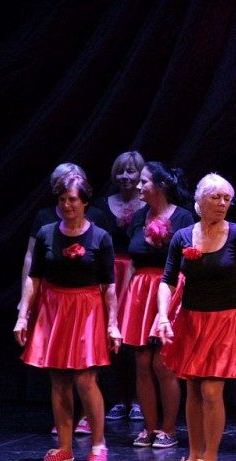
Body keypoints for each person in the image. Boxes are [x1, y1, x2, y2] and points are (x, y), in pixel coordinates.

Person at [14, 170, 121, 461]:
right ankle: (64, 447)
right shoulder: (47, 233)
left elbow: (109, 286)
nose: (66, 205)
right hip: (54, 308)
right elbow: (34, 278)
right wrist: (23, 316)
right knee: (59, 380)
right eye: (62, 199)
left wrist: (113, 324)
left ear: (84, 201)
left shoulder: (100, 237)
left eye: (72, 199)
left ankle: (98, 443)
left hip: (86, 309)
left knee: (85, 379)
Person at [160, 173, 236, 461]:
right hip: (192, 320)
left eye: (227, 199)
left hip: (225, 320)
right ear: (200, 200)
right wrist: (162, 315)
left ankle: (211, 460)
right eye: (216, 197)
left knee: (211, 390)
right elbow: (167, 281)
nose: (222, 203)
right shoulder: (182, 236)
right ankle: (193, 457)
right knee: (193, 389)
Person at [120, 162, 193, 449]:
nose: (138, 187)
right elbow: (132, 261)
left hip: (169, 290)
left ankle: (169, 429)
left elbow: (187, 262)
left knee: (163, 365)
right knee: (141, 364)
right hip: (140, 292)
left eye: (144, 181)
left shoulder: (183, 217)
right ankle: (149, 428)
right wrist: (124, 299)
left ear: (160, 185)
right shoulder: (139, 216)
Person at [92, 151, 146, 422]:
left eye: (131, 171)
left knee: (134, 341)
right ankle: (119, 399)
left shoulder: (148, 205)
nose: (125, 176)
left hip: (135, 275)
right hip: (111, 273)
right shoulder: (102, 205)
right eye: (121, 171)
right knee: (111, 340)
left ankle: (137, 400)